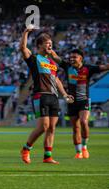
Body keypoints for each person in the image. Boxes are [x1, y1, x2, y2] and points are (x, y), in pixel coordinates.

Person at [19, 27, 74, 165]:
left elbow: (56, 80)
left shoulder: (52, 63)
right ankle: (26, 149)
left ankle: (47, 156)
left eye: (51, 43)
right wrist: (26, 32)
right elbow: (22, 48)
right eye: (47, 43)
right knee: (44, 126)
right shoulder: (34, 58)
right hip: (40, 95)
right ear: (39, 45)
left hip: (53, 97)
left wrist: (65, 94)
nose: (50, 45)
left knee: (52, 128)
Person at [51, 49, 109, 159]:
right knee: (75, 128)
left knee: (83, 121)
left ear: (80, 58)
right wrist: (50, 50)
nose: (72, 59)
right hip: (71, 101)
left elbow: (104, 67)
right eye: (70, 57)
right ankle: (78, 153)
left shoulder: (88, 69)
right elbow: (55, 57)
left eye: (74, 57)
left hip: (84, 100)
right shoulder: (68, 67)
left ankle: (84, 147)